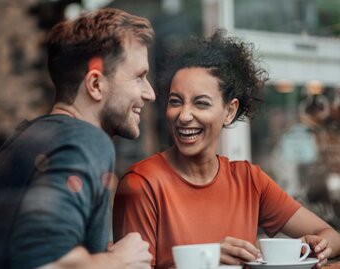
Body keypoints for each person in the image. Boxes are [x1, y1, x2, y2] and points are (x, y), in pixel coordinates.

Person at [112, 29, 340, 269]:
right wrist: (207, 258)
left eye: (201, 103)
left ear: (229, 111)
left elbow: (332, 236)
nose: (184, 115)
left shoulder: (249, 180)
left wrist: (319, 246)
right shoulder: (141, 185)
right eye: (175, 101)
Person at [0, 7, 155, 269]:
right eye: (139, 77)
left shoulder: (25, 138)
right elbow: (46, 262)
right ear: (95, 85)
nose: (150, 93)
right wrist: (119, 261)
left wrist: (98, 255)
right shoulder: (87, 141)